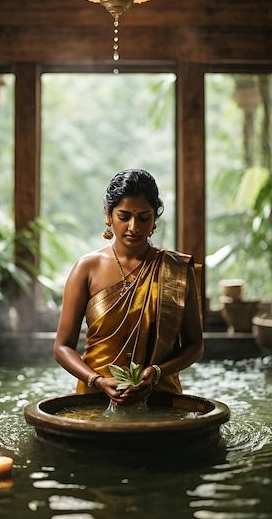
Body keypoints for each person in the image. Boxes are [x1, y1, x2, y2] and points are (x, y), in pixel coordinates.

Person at [54, 169, 203, 407]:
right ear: (109, 216)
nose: (133, 227)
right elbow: (62, 347)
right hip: (95, 399)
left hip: (160, 397)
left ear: (155, 219)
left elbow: (195, 346)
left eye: (143, 218)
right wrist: (98, 380)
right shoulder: (87, 268)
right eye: (124, 216)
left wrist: (156, 372)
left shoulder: (176, 269)